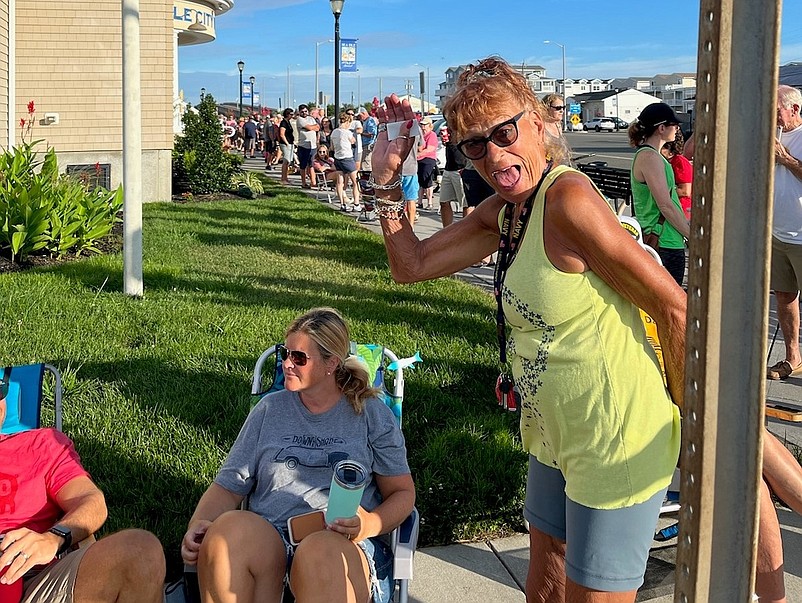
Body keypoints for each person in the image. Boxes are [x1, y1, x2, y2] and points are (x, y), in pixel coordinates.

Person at [369, 57, 683, 603]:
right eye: (474, 144)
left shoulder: (568, 200)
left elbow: (673, 309)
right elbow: (410, 265)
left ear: (538, 123)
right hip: (554, 440)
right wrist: (387, 180)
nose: (494, 154)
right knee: (545, 585)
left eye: (504, 132)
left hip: (615, 441)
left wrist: (695, 434)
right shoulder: (510, 211)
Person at [181, 307, 415, 603]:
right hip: (269, 540)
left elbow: (403, 493)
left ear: (331, 363)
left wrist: (369, 524)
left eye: (299, 358)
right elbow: (228, 487)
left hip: (339, 543)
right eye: (285, 354)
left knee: (320, 555)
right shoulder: (269, 409)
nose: (287, 364)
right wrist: (198, 525)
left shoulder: (370, 415)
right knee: (227, 533)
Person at [0, 384, 165, 603]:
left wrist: (54, 537)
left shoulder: (41, 446)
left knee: (140, 549)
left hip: (32, 581)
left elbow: (92, 502)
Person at [629, 102, 691, 286]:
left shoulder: (652, 156)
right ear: (661, 128)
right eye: (674, 124)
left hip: (666, 239)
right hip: (664, 241)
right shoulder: (650, 158)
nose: (678, 128)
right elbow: (665, 204)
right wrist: (690, 235)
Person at [767, 84, 802, 380]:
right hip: (778, 234)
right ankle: (793, 357)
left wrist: (786, 159)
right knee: (784, 296)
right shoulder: (770, 135)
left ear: (794, 109)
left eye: (776, 110)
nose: (772, 116)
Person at [330, 112, 362, 212]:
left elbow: (332, 147)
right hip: (347, 158)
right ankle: (356, 204)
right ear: (347, 122)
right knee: (355, 181)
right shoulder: (347, 132)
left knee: (340, 182)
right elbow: (353, 141)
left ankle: (342, 204)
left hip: (338, 158)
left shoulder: (334, 132)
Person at [660, 128, 693, 220]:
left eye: (662, 147)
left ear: (671, 152)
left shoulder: (679, 162)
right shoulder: (668, 162)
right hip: (673, 206)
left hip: (682, 209)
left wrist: (661, 192)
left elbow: (685, 191)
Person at [437, 125, 466, 228]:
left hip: (460, 169)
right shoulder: (449, 127)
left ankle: (467, 231)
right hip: (448, 169)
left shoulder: (462, 126)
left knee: (465, 204)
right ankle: (446, 230)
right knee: (444, 202)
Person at [541, 94, 574, 167]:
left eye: (563, 108)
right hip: (549, 170)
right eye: (558, 108)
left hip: (565, 167)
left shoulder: (558, 125)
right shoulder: (540, 126)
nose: (562, 111)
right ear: (547, 108)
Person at [295, 104, 320, 190]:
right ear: (299, 112)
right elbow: (309, 127)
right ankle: (303, 182)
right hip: (303, 146)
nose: (304, 113)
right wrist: (311, 128)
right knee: (303, 165)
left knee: (312, 164)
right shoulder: (299, 119)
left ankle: (313, 182)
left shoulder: (311, 118)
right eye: (302, 112)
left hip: (313, 145)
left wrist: (312, 128)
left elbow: (318, 127)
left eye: (305, 111)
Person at [416, 116, 438, 211]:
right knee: (420, 181)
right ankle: (419, 202)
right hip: (419, 160)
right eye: (421, 124)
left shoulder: (432, 135)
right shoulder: (420, 135)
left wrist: (418, 154)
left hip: (428, 159)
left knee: (427, 181)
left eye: (425, 125)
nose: (423, 126)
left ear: (430, 125)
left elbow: (430, 149)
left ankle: (430, 203)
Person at [358, 108, 378, 173]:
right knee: (364, 163)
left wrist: (361, 133)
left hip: (368, 144)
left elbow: (371, 134)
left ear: (364, 113)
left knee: (366, 164)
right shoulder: (365, 121)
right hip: (365, 145)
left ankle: (366, 180)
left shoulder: (370, 121)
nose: (359, 118)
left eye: (360, 116)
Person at [279, 108, 295, 186]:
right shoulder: (283, 123)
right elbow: (282, 134)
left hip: (290, 143)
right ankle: (283, 178)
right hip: (285, 144)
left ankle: (286, 178)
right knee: (286, 161)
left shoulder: (288, 122)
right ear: (287, 114)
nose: (292, 116)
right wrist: (287, 143)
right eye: (291, 114)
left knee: (288, 161)